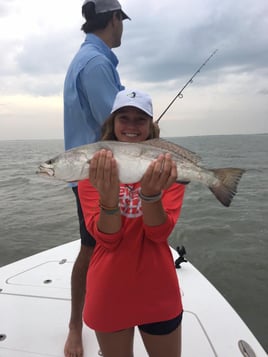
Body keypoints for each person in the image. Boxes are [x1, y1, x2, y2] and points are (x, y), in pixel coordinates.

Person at [78, 89, 186, 357]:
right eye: (123, 117)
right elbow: (108, 238)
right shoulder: (91, 171)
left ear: (151, 126)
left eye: (140, 119)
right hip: (109, 290)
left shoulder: (167, 168)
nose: (131, 126)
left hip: (158, 288)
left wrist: (150, 196)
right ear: (112, 124)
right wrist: (108, 198)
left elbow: (159, 234)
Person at [63, 1, 130, 356]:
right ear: (114, 18)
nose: (123, 29)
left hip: (98, 173)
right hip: (97, 178)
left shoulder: (90, 58)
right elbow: (116, 126)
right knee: (93, 249)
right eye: (122, 21)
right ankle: (80, 325)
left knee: (100, 247)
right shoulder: (96, 63)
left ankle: (103, 322)